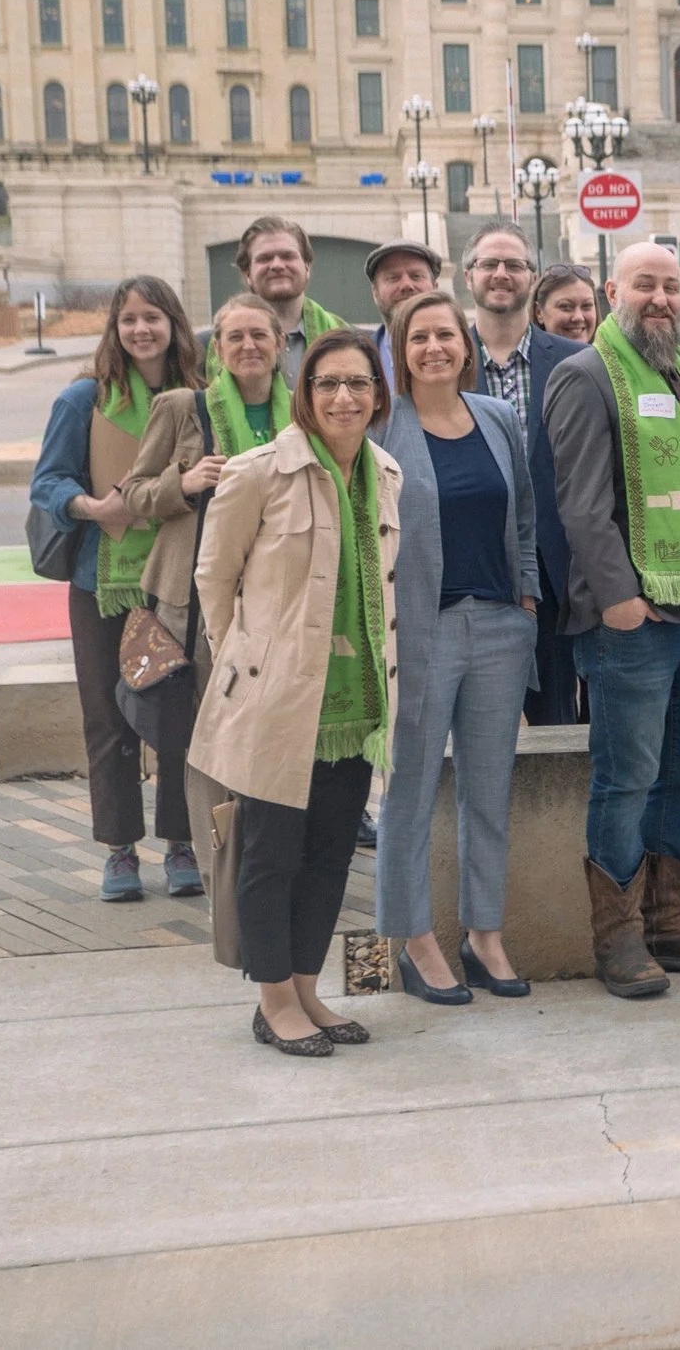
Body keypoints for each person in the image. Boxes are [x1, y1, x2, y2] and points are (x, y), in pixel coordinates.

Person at [546, 241, 680, 997]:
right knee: (626, 776)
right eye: (645, 285)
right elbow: (580, 502)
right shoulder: (584, 375)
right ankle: (620, 936)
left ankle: (672, 920)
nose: (661, 298)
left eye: (671, 285)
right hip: (633, 620)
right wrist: (621, 599)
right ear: (613, 291)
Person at [190, 327, 398, 1056]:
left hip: (354, 702)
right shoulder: (257, 472)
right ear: (305, 394)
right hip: (277, 704)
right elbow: (214, 580)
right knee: (270, 853)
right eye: (328, 383)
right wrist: (247, 667)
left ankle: (310, 987)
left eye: (359, 383)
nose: (344, 396)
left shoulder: (386, 472)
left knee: (331, 853)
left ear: (378, 396)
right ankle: (272, 997)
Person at [374, 291, 538, 1004]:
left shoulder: (498, 418)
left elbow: (526, 513)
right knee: (409, 790)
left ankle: (484, 934)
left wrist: (526, 595)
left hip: (500, 626)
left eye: (445, 335)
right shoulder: (383, 425)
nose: (434, 347)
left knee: (487, 791)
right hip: (422, 630)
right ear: (401, 352)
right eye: (419, 338)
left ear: (465, 345)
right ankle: (412, 939)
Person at [30, 276, 206, 904]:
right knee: (109, 721)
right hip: (100, 582)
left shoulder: (199, 397)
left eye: (152, 317)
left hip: (177, 581)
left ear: (173, 324)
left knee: (179, 716)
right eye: (128, 319)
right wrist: (89, 507)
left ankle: (183, 842)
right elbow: (47, 483)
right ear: (115, 327)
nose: (141, 330)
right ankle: (120, 850)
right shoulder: (86, 399)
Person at [117, 293, 286, 908]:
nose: (247, 346)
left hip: (278, 602)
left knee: (268, 732)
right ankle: (204, 851)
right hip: (196, 603)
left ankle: (265, 852)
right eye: (234, 336)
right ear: (216, 349)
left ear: (279, 344)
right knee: (206, 735)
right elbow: (133, 494)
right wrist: (182, 484)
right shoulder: (182, 408)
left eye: (258, 335)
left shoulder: (304, 412)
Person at [466, 223, 586, 727]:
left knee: (558, 723)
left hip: (556, 572)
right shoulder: (440, 359)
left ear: (532, 279)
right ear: (468, 275)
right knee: (474, 724)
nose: (501, 274)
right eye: (489, 264)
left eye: (514, 265)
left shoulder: (576, 361)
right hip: (471, 571)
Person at [207, 216, 348, 384]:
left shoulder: (342, 334)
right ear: (247, 274)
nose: (277, 265)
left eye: (287, 256)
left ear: (307, 267)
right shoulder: (210, 346)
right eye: (264, 258)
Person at [364, 240, 442, 398]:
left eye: (416, 276)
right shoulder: (360, 358)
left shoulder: (464, 354)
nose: (406, 285)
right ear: (375, 293)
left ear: (435, 287)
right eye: (393, 278)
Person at [532, 263, 601, 344]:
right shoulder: (520, 355)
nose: (578, 317)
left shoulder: (613, 354)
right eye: (565, 306)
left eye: (586, 306)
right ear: (539, 312)